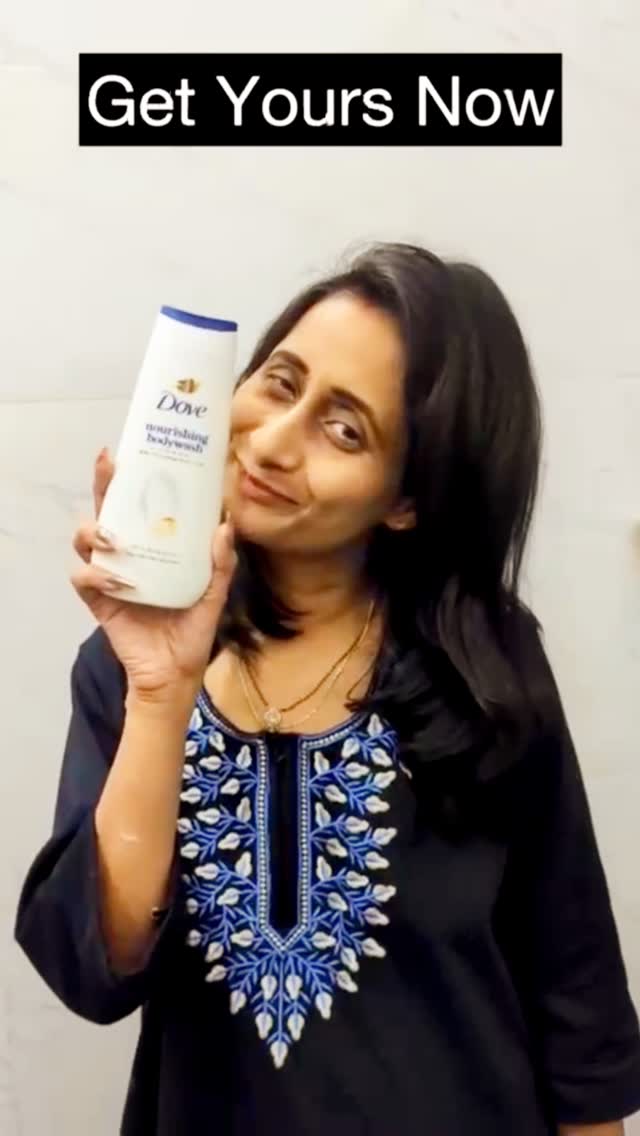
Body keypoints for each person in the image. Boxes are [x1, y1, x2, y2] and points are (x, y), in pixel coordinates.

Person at [15, 242, 640, 1136]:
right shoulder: (128, 665)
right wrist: (161, 691)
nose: (273, 443)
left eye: (345, 430)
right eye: (279, 383)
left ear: (407, 499)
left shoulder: (483, 670)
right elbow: (95, 971)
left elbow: (579, 1009)